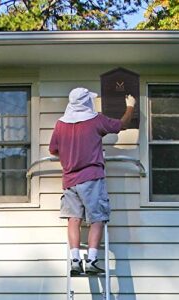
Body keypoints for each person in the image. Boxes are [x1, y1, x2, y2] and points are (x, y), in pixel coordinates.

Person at [49, 87, 136, 275]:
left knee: (74, 219)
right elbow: (122, 124)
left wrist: (71, 152)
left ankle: (74, 260)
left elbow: (53, 149)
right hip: (91, 177)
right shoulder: (96, 120)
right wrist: (130, 106)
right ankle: (92, 260)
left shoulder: (60, 124)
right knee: (97, 218)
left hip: (69, 179)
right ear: (86, 102)